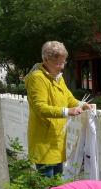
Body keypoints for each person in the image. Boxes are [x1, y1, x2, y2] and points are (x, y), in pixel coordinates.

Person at [25, 41, 88, 178]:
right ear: (46, 60)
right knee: (47, 183)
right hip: (44, 139)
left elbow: (68, 98)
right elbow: (40, 107)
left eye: (63, 62)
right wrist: (67, 111)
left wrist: (82, 104)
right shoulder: (37, 78)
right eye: (58, 63)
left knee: (57, 181)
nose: (62, 66)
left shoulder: (58, 77)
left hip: (57, 137)